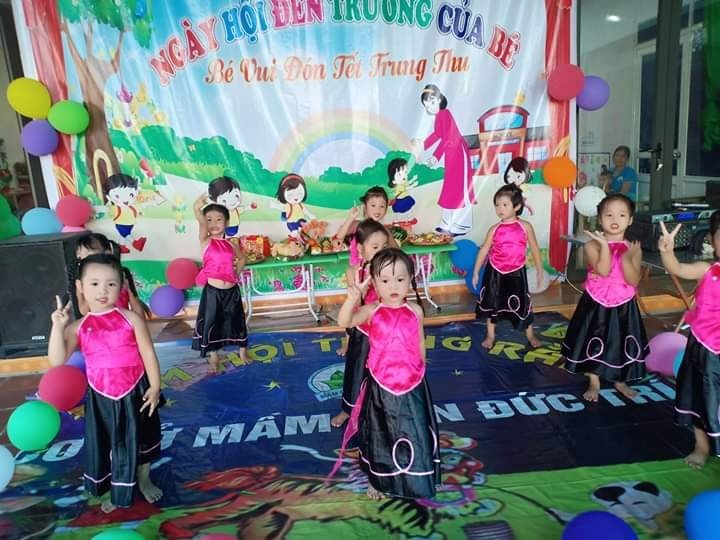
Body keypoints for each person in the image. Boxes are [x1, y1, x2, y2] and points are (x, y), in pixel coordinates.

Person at [48, 253, 163, 513]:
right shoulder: (78, 326)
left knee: (143, 438)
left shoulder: (131, 318)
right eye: (95, 283)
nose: (103, 291)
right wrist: (57, 327)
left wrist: (155, 387)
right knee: (109, 443)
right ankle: (115, 489)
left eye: (111, 284)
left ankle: (144, 479)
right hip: (102, 396)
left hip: (136, 390)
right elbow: (57, 361)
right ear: (80, 287)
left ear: (121, 285)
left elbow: (148, 353)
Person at [329, 248, 440, 500]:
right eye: (385, 280)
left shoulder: (415, 310)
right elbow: (344, 322)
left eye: (400, 279)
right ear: (375, 284)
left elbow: (419, 341)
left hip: (413, 383)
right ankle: (377, 480)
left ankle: (419, 476)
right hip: (381, 386)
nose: (393, 286)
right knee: (380, 434)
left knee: (413, 429)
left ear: (411, 280)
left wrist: (421, 367)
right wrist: (351, 298)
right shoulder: (372, 311)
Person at [562, 193, 648, 402]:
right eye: (609, 215)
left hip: (623, 302)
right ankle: (594, 380)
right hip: (596, 301)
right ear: (600, 219)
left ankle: (620, 379)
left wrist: (627, 258)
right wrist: (604, 246)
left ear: (630, 220)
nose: (615, 219)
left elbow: (634, 280)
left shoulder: (633, 249)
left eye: (621, 215)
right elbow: (603, 269)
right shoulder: (591, 245)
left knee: (621, 341)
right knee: (594, 339)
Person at [658, 210, 720, 469]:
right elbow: (677, 268)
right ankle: (701, 446)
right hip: (704, 348)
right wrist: (667, 251)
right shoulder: (706, 269)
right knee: (700, 396)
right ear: (712, 240)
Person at [330, 219, 389, 428]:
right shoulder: (354, 272)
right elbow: (353, 308)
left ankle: (385, 410)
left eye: (384, 246)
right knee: (356, 372)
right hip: (364, 332)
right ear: (361, 249)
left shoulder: (391, 270)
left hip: (386, 332)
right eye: (375, 247)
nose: (381, 251)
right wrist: (361, 290)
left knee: (386, 372)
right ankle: (348, 409)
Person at [472, 184, 544, 349]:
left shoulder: (525, 226)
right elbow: (484, 249)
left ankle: (530, 334)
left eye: (505, 205)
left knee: (523, 303)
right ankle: (490, 335)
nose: (500, 209)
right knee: (493, 302)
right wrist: (476, 271)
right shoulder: (494, 229)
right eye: (497, 205)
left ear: (517, 206)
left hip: (516, 271)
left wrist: (540, 270)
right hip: (495, 272)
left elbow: (534, 248)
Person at [192, 194, 248, 373]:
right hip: (213, 292)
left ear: (227, 222)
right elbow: (202, 223)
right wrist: (197, 207)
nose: (213, 223)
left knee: (237, 321)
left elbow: (242, 259)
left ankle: (243, 353)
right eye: (209, 219)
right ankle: (214, 356)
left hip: (232, 291)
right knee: (212, 323)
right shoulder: (206, 241)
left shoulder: (231, 245)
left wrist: (236, 273)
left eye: (218, 219)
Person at [412, 84, 475, 236]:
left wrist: (436, 156)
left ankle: (463, 224)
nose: (430, 107)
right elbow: (437, 134)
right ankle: (447, 223)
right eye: (427, 105)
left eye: (432, 102)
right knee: (450, 188)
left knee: (460, 188)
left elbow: (449, 138)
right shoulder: (439, 116)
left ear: (439, 99)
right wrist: (424, 145)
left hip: (458, 153)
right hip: (450, 155)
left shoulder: (445, 114)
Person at [72, 233, 148, 319]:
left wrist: (141, 324)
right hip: (100, 325)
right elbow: (84, 310)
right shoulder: (82, 279)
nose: (83, 257)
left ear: (107, 252)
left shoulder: (122, 274)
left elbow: (136, 305)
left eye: (89, 253)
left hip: (123, 323)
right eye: (80, 254)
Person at [273, 173, 316, 238]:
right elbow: (281, 209)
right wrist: (274, 205)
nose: (295, 197)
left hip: (301, 222)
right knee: (295, 233)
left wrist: (311, 216)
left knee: (304, 232)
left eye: (300, 193)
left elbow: (305, 211)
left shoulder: (300, 205)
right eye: (290, 195)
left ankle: (301, 239)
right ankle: (295, 239)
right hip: (292, 223)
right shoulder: (288, 205)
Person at [387, 158, 418, 224]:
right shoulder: (398, 186)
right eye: (400, 174)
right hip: (400, 201)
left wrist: (413, 179)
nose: (404, 176)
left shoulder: (403, 182)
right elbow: (406, 188)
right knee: (399, 213)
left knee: (409, 209)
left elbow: (407, 184)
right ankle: (397, 221)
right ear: (393, 180)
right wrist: (413, 185)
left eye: (405, 172)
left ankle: (410, 219)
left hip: (406, 198)